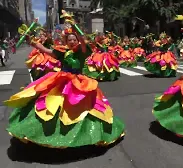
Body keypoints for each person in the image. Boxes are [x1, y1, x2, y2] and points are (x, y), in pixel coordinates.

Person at [3, 12, 125, 149]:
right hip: (62, 79)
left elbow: (84, 42)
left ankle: (86, 132)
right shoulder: (61, 52)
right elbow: (45, 50)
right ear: (66, 41)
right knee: (52, 103)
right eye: (69, 40)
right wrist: (31, 41)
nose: (72, 41)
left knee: (84, 104)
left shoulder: (82, 51)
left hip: (80, 81)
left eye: (74, 39)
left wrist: (75, 28)